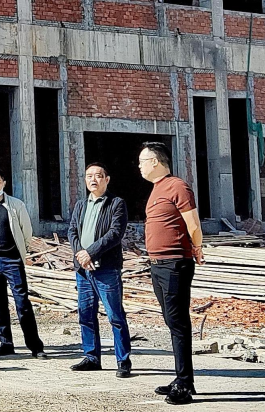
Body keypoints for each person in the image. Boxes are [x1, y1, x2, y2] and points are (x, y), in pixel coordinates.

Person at [138, 142, 203, 405]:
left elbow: (193, 224)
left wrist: (197, 247)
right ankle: (182, 377)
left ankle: (184, 383)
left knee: (178, 322)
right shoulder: (157, 189)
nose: (139, 167)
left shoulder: (177, 186)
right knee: (170, 320)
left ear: (155, 161)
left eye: (142, 161)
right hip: (157, 264)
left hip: (175, 263)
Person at [67, 162, 132, 377]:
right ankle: (91, 357)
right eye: (89, 176)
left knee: (115, 315)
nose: (93, 180)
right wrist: (80, 254)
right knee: (86, 314)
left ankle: (123, 360)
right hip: (83, 269)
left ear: (107, 179)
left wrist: (91, 253)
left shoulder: (116, 203)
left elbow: (115, 233)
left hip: (106, 268)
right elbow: (72, 231)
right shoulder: (81, 205)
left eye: (98, 176)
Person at [0, 168, 45, 358]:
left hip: (12, 260)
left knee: (22, 303)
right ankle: (6, 343)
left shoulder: (15, 205)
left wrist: (22, 252)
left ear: (4, 183)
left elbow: (26, 232)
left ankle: (35, 346)